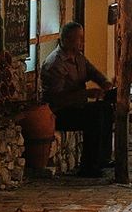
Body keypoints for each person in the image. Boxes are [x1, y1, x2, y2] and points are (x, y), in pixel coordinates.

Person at [40, 22, 115, 177]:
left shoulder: (78, 57)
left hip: (77, 106)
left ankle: (103, 158)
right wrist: (86, 94)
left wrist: (105, 83)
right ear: (66, 40)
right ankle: (89, 166)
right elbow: (57, 99)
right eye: (78, 39)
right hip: (60, 112)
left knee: (106, 108)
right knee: (94, 116)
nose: (82, 42)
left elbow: (93, 72)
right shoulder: (55, 64)